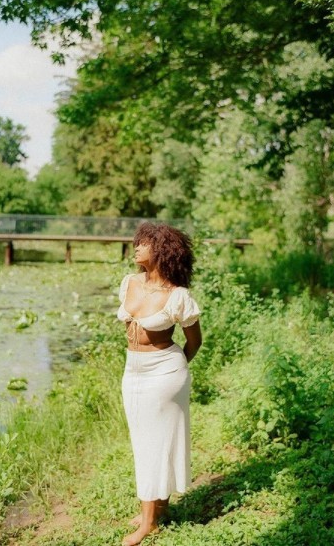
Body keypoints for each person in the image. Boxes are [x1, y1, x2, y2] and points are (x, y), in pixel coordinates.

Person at [117, 222, 202, 546]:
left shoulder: (178, 296)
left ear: (162, 250)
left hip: (165, 372)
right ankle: (159, 507)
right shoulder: (130, 283)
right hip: (132, 370)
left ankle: (149, 523)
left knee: (153, 444)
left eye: (143, 244)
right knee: (144, 439)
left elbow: (194, 341)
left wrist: (172, 371)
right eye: (136, 243)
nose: (136, 247)